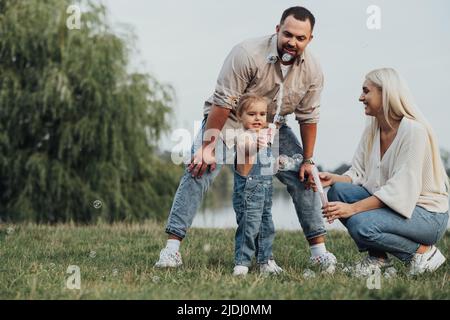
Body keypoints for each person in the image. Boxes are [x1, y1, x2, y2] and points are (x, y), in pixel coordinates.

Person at [155, 6, 337, 272]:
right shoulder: (246, 53)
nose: (292, 42)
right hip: (229, 120)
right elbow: (222, 102)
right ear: (277, 30)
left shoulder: (313, 70)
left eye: (300, 38)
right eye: (288, 34)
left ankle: (319, 253)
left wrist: (308, 160)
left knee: (303, 175)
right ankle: (171, 250)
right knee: (198, 169)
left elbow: (308, 116)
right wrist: (207, 148)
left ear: (309, 39)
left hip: (271, 126)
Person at [316, 68, 449, 276]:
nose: (361, 97)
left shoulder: (414, 131)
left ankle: (424, 253)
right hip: (399, 207)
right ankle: (378, 259)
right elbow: (358, 173)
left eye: (366, 91)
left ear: (385, 93)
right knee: (337, 191)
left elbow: (400, 189)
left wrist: (352, 209)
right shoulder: (373, 128)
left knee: (361, 224)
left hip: (427, 215)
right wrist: (333, 178)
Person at [231, 94, 279, 276]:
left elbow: (267, 164)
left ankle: (265, 260)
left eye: (262, 114)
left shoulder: (263, 137)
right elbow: (246, 150)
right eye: (252, 114)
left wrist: (278, 162)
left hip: (265, 190)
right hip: (248, 191)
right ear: (240, 116)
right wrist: (257, 146)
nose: (258, 118)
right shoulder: (243, 137)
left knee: (267, 226)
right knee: (249, 227)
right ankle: (242, 263)